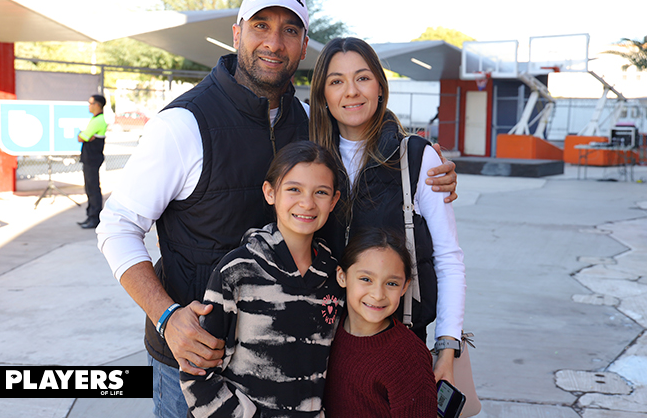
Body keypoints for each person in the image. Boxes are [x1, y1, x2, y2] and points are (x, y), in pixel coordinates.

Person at [97, 0, 458, 418]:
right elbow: (117, 226)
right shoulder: (183, 124)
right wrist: (168, 316)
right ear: (236, 34)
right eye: (260, 25)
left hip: (294, 370)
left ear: (304, 46)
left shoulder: (308, 123)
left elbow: (362, 132)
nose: (273, 42)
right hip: (197, 360)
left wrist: (427, 164)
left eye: (290, 30)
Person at [309, 37, 466, 385]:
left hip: (398, 346)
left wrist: (447, 346)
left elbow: (448, 258)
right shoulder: (308, 161)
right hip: (321, 348)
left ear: (380, 87)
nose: (351, 91)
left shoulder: (416, 158)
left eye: (362, 78)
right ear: (322, 95)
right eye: (336, 81)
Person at [180, 141, 342, 417]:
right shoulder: (237, 271)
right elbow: (197, 375)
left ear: (334, 201)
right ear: (270, 193)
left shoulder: (335, 279)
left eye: (321, 192)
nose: (307, 203)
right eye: (294, 189)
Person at [324, 227, 437, 417]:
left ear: (405, 287)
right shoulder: (327, 330)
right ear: (342, 276)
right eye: (366, 279)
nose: (378, 295)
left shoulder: (409, 358)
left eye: (391, 283)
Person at [77, 94, 108, 229]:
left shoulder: (98, 120)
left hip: (92, 159)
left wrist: (84, 136)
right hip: (89, 158)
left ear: (97, 105)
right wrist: (85, 136)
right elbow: (84, 136)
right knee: (89, 188)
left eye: (90, 103)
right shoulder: (95, 119)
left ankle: (95, 218)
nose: (89, 106)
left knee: (93, 188)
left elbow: (81, 137)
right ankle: (90, 216)